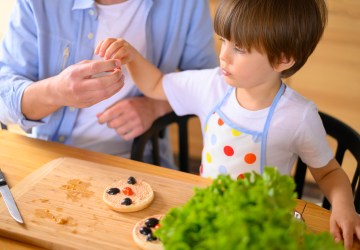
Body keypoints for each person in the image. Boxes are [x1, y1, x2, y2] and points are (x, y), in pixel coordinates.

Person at [96, 0, 360, 248]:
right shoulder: (210, 85)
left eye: (240, 49)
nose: (223, 55)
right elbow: (155, 85)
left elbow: (328, 173)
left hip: (261, 231)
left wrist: (344, 206)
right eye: (224, 40)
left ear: (282, 59)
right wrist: (130, 55)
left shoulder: (298, 116)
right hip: (209, 218)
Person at [0, 0, 218, 169]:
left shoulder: (185, 5)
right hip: (48, 158)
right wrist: (57, 92)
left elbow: (208, 83)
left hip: (140, 161)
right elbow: (3, 97)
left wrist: (155, 107)